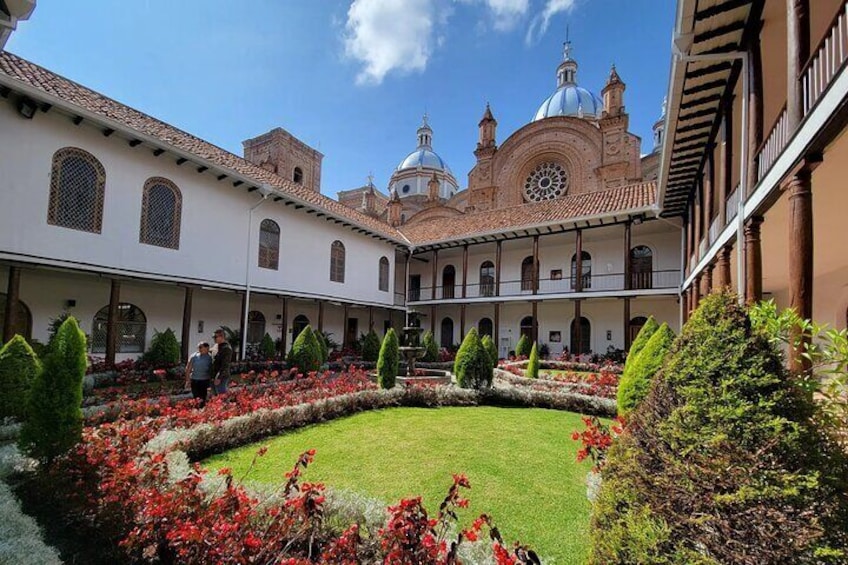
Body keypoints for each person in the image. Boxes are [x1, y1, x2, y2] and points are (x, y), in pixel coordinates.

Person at [184, 342, 213, 406]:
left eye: (200, 347)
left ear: (207, 348)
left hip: (205, 380)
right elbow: (188, 369)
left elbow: (212, 369)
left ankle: (202, 411)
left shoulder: (210, 357)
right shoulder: (194, 356)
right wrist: (187, 380)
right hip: (195, 380)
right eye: (198, 347)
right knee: (196, 397)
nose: (199, 349)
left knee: (203, 397)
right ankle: (197, 410)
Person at [212, 328, 233, 394]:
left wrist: (219, 377)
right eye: (213, 337)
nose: (214, 339)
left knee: (221, 395)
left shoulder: (226, 348)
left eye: (215, 337)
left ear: (222, 337)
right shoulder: (217, 346)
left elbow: (225, 364)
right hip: (214, 374)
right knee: (215, 396)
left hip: (221, 376)